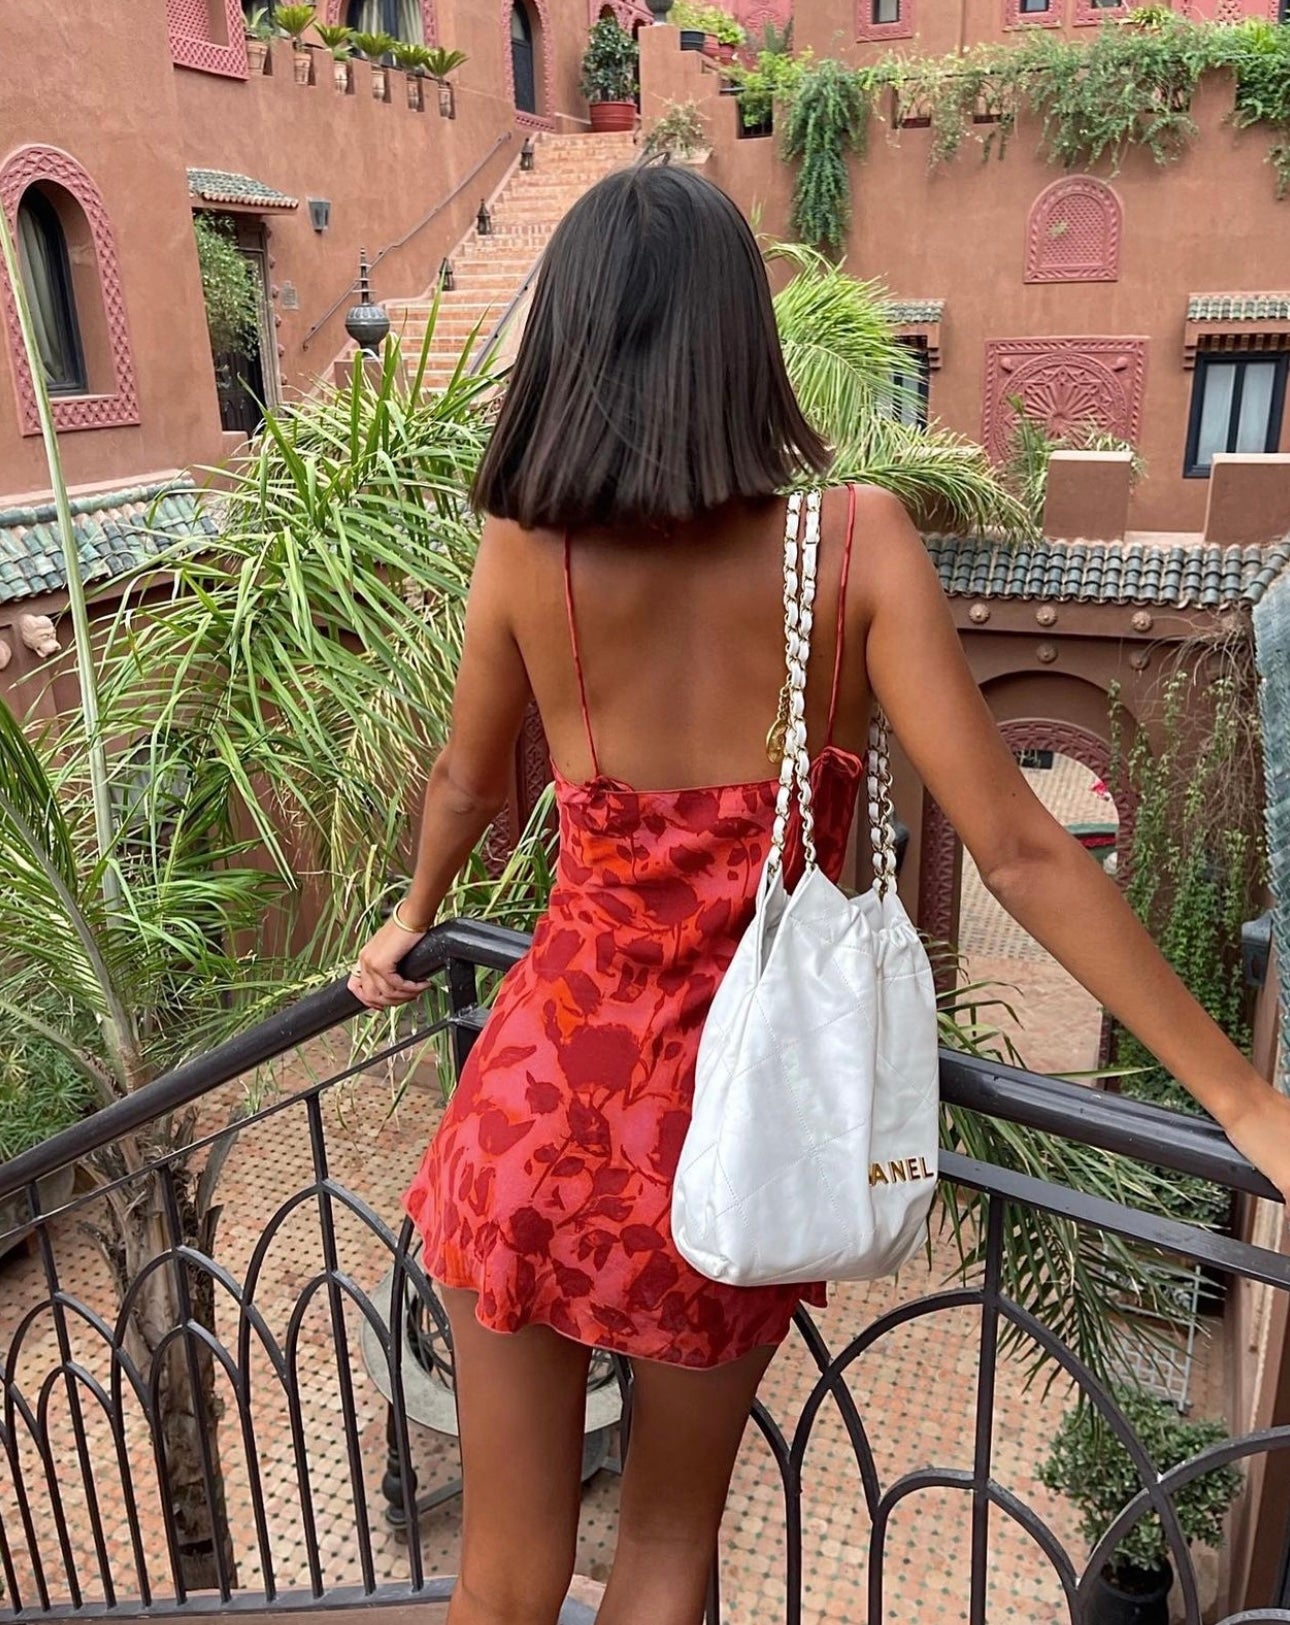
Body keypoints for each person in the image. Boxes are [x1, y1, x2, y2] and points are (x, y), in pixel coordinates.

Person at [350, 163, 1290, 1625]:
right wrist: (1239, 1098)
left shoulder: (529, 551)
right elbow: (1021, 848)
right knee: (666, 1544)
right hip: (727, 1139)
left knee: (504, 1571)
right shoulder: (852, 545)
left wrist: (413, 916)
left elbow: (469, 788)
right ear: (742, 339)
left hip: (534, 1105)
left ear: (569, 346)